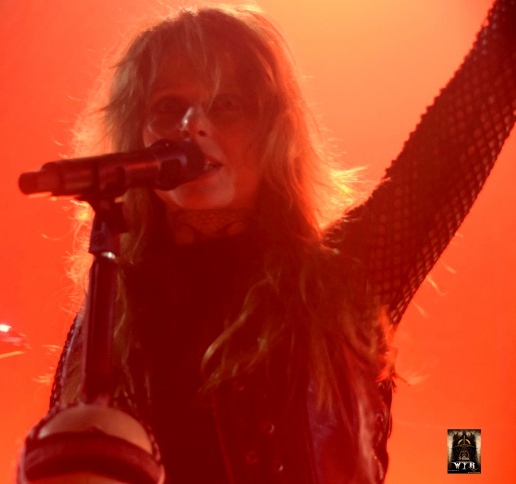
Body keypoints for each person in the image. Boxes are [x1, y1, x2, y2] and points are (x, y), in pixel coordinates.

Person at [31, 1, 515, 483]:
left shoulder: (342, 280)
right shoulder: (111, 312)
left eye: (226, 105)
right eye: (168, 107)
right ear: (137, 132)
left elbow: (469, 120)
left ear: (273, 133)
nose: (191, 125)